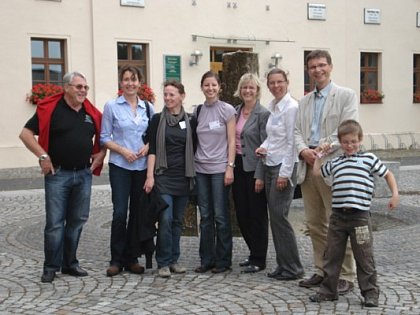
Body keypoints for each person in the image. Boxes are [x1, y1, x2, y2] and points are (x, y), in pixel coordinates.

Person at [19, 71, 106, 283]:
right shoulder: (51, 109)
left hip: (83, 173)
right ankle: (50, 266)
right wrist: (42, 156)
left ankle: (70, 263)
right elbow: (25, 134)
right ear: (66, 87)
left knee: (77, 221)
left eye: (85, 87)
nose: (83, 91)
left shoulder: (90, 112)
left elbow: (102, 140)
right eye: (78, 87)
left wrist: (101, 155)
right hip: (58, 174)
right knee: (55, 223)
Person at [309, 119, 399, 307]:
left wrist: (395, 194)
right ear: (340, 143)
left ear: (360, 140)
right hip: (338, 218)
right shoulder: (335, 162)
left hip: (360, 218)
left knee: (364, 256)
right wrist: (320, 154)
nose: (349, 145)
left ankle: (370, 293)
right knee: (332, 256)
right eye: (345, 142)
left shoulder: (368, 159)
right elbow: (317, 173)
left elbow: (388, 174)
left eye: (353, 141)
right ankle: (328, 291)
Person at [294, 50, 358, 294]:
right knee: (315, 223)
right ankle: (322, 270)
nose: (317, 70)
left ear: (330, 67)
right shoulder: (304, 101)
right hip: (308, 166)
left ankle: (346, 274)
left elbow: (346, 131)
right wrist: (303, 151)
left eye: (321, 65)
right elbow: (297, 132)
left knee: (340, 222)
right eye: (312, 66)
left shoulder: (346, 95)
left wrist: (320, 150)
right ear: (308, 70)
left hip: (333, 167)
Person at [100, 65, 154, 277]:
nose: (130, 83)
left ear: (140, 83)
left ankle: (132, 258)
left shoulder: (148, 107)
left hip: (141, 167)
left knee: (137, 213)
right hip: (120, 166)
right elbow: (104, 137)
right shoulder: (112, 106)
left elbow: (152, 136)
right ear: (120, 83)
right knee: (120, 212)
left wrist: (147, 146)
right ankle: (116, 259)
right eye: (126, 79)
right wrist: (122, 150)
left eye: (134, 79)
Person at [144, 80, 197, 278]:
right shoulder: (157, 119)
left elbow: (196, 147)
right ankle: (163, 262)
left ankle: (174, 260)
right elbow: (153, 149)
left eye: (172, 94)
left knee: (177, 221)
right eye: (165, 94)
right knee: (165, 219)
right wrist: (150, 176)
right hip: (163, 176)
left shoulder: (191, 121)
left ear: (182, 96)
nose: (167, 98)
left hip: (183, 177)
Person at [255, 68, 304, 280]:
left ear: (287, 82)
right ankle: (283, 264)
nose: (275, 86)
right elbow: (273, 137)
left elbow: (293, 142)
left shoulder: (291, 107)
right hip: (270, 163)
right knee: (274, 218)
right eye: (272, 83)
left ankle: (293, 268)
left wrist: (285, 174)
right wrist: (264, 147)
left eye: (279, 82)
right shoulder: (274, 106)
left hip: (283, 167)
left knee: (280, 217)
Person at [194, 71, 236, 274]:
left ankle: (223, 260)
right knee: (205, 216)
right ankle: (206, 259)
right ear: (202, 87)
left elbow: (231, 141)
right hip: (201, 169)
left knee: (220, 215)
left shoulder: (227, 110)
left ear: (220, 87)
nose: (210, 88)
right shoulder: (198, 111)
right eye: (206, 85)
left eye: (213, 85)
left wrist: (230, 166)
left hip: (220, 169)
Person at [231, 73, 269, 273]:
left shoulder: (263, 114)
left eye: (251, 88)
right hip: (237, 166)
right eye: (244, 87)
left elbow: (266, 145)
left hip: (255, 168)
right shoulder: (236, 111)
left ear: (257, 91)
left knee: (257, 215)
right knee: (242, 214)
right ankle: (252, 251)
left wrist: (260, 175)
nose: (247, 91)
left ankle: (259, 258)